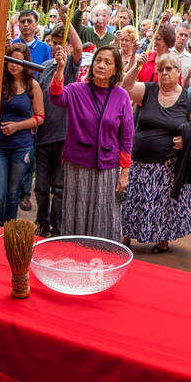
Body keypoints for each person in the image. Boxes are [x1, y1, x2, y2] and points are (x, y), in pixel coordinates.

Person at [119, 52, 191, 252]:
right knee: (135, 201)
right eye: (160, 69)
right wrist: (136, 67)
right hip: (140, 161)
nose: (164, 73)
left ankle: (162, 239)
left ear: (178, 71)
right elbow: (125, 88)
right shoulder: (148, 90)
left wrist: (186, 139)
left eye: (169, 69)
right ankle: (126, 236)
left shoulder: (188, 97)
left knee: (163, 205)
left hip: (168, 166)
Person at [47, 43, 133, 241]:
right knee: (76, 209)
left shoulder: (121, 97)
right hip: (77, 162)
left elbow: (127, 137)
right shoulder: (77, 90)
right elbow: (56, 96)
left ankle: (101, 255)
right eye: (98, 61)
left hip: (107, 165)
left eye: (107, 62)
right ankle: (75, 251)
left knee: (105, 213)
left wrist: (125, 171)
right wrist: (60, 69)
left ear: (115, 70)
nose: (101, 65)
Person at [31, 17, 83, 236]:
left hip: (64, 137)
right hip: (42, 136)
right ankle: (41, 225)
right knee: (41, 187)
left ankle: (57, 228)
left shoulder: (71, 66)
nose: (56, 46)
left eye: (62, 42)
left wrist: (66, 20)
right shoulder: (43, 67)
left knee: (59, 188)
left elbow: (79, 47)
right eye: (53, 42)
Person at [0, 41, 44, 226]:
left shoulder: (32, 85)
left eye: (18, 61)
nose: (14, 64)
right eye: (11, 60)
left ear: (25, 63)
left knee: (13, 193)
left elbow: (40, 117)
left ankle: (8, 230)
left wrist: (17, 126)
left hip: (22, 146)